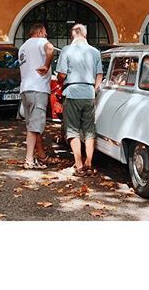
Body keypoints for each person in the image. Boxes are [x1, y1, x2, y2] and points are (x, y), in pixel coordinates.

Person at [56, 24, 103, 177]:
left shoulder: (67, 50)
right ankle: (89, 163)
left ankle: (79, 164)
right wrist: (94, 90)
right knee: (89, 130)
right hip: (89, 93)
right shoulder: (95, 52)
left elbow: (62, 74)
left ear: (73, 36)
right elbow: (100, 75)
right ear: (85, 35)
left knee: (73, 130)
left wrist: (60, 81)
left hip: (72, 92)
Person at [18, 23, 55, 169]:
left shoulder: (23, 47)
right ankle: (29, 160)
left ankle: (40, 155)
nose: (46, 36)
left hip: (25, 89)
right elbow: (50, 48)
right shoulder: (41, 42)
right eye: (45, 33)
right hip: (38, 88)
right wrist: (46, 64)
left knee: (32, 125)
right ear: (39, 33)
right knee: (35, 127)